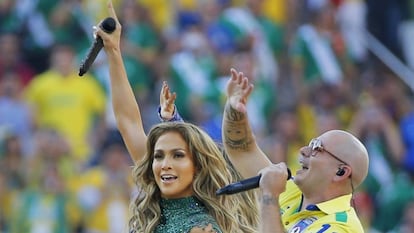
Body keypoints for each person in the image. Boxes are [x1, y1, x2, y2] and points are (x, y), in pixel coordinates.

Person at [95, 2, 257, 232]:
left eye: (178, 155)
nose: (164, 165)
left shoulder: (204, 228)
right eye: (159, 156)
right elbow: (128, 122)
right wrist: (113, 51)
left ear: (198, 167)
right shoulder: (159, 204)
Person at [221, 68, 369, 232]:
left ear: (341, 172)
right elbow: (243, 150)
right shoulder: (290, 190)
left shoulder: (342, 226)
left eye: (316, 148)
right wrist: (234, 111)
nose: (303, 150)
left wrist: (270, 196)